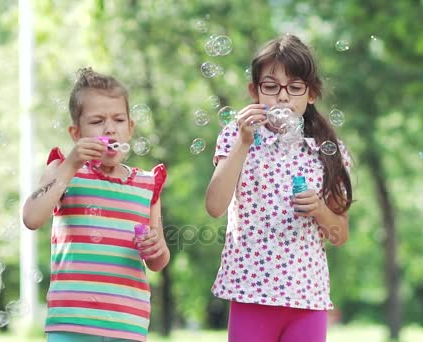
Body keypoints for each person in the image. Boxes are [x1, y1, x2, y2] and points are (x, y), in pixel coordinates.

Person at [205, 35, 353, 342]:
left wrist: (320, 210)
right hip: (250, 292)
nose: (282, 97)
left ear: (310, 93)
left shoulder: (327, 150)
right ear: (254, 91)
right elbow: (215, 206)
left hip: (306, 298)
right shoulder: (238, 137)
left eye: (295, 87)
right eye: (271, 86)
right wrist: (243, 143)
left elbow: (340, 234)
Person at [22, 67, 169, 342]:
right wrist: (70, 165)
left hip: (127, 324)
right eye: (98, 120)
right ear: (76, 133)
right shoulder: (62, 170)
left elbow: (158, 260)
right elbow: (31, 217)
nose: (110, 128)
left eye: (119, 119)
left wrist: (157, 250)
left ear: (130, 128)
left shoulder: (148, 185)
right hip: (71, 324)